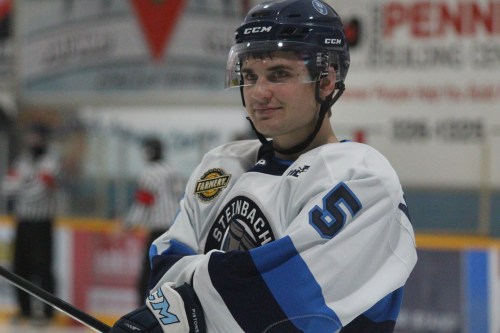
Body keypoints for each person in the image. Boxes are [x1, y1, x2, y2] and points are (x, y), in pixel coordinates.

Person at [110, 1, 418, 332]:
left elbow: (283, 306)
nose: (259, 92)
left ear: (327, 81)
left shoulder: (363, 179)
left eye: (279, 74)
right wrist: (207, 292)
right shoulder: (220, 167)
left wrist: (188, 302)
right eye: (249, 76)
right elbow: (162, 272)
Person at [1, 123, 60, 326]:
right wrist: (26, 184)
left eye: (36, 136)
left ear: (43, 139)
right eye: (30, 136)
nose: (32, 140)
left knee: (43, 269)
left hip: (42, 224)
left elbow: (40, 191)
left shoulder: (50, 162)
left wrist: (20, 186)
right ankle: (24, 310)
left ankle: (46, 312)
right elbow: (6, 187)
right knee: (20, 267)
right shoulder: (22, 161)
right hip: (23, 222)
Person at [120, 136, 183, 306]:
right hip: (178, 230)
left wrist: (128, 224)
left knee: (148, 275)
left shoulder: (150, 173)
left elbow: (143, 203)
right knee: (173, 274)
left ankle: (143, 311)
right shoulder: (173, 170)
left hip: (158, 231)